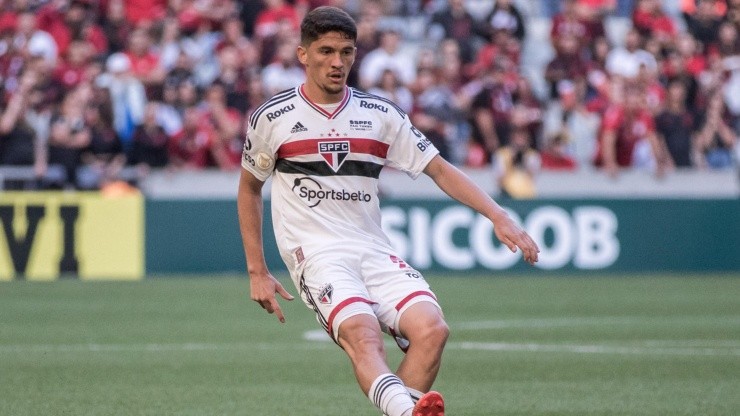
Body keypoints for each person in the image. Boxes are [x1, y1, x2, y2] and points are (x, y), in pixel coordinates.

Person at [236, 7, 540, 416]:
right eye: (325, 51)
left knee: (432, 330)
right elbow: (250, 188)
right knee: (364, 336)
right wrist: (257, 270)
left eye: (346, 52)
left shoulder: (380, 115)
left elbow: (438, 168)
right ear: (302, 55)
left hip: (372, 248)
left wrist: (497, 214)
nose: (337, 62)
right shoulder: (273, 118)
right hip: (317, 253)